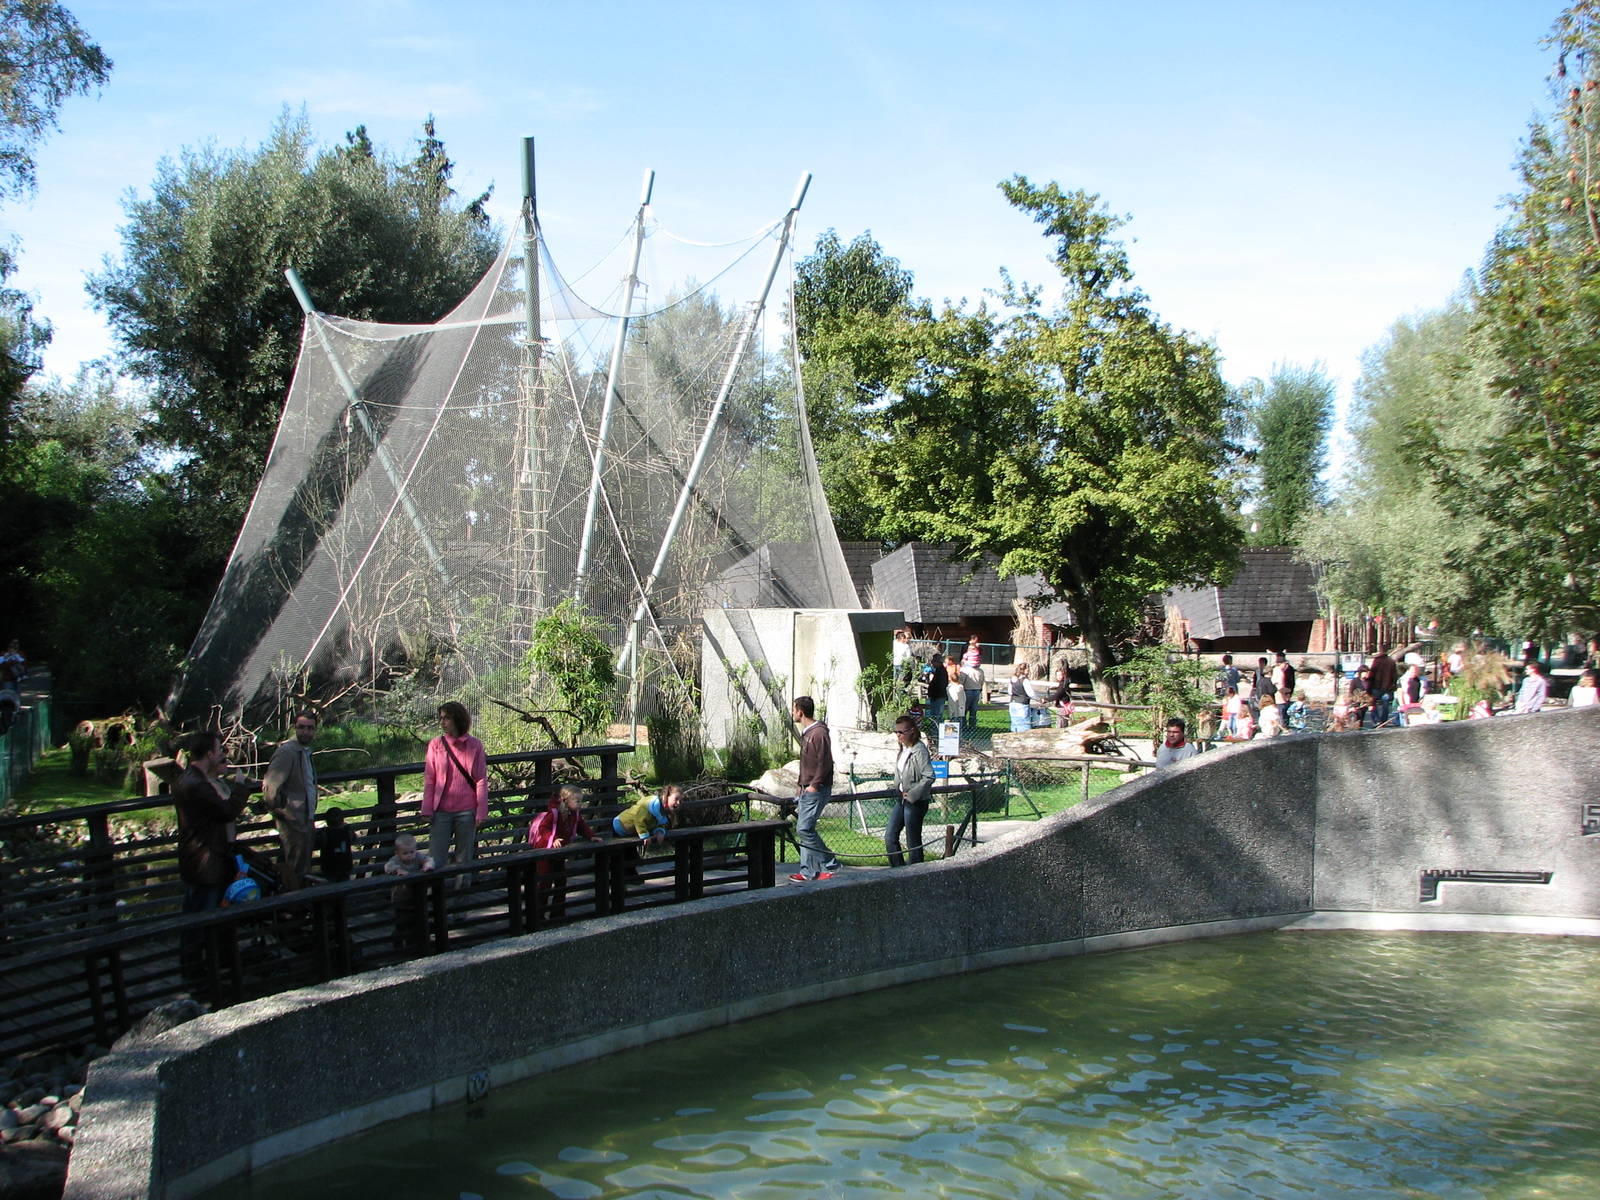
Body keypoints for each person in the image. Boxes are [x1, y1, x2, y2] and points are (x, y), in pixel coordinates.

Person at [173, 731, 252, 979]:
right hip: (204, 861)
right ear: (209, 754)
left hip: (204, 859)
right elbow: (226, 811)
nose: (222, 755)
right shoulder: (196, 785)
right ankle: (194, 972)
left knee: (203, 915)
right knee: (202, 918)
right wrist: (241, 788)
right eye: (219, 751)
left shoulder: (192, 779)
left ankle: (210, 966)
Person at [423, 701, 489, 885]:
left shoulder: (474, 745)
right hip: (441, 810)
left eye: (447, 718)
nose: (443, 722)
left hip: (467, 810)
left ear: (457, 719)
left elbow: (481, 779)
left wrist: (481, 811)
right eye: (441, 718)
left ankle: (462, 897)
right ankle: (434, 895)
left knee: (464, 858)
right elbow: (430, 778)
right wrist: (426, 809)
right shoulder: (436, 744)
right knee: (436, 857)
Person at [262, 711, 321, 891]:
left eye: (310, 728)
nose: (306, 732)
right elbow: (270, 786)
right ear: (295, 728)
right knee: (294, 867)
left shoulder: (305, 751)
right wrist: (283, 812)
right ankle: (293, 902)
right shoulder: (286, 752)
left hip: (306, 816)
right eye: (301, 727)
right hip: (292, 818)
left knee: (303, 865)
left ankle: (301, 901)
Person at [531, 783, 603, 919]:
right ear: (566, 801)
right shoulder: (554, 813)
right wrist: (553, 839)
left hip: (559, 852)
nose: (580, 804)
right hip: (545, 851)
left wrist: (591, 836)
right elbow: (543, 828)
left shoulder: (574, 814)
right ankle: (538, 914)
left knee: (561, 880)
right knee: (545, 882)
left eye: (580, 801)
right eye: (577, 801)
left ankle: (557, 913)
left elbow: (581, 826)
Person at [790, 696, 840, 882]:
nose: (792, 713)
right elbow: (806, 763)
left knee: (804, 829)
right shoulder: (808, 733)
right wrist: (800, 784)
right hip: (806, 787)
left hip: (816, 789)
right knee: (805, 829)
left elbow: (825, 762)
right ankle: (808, 871)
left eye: (794, 709)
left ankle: (829, 863)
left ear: (800, 711)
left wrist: (814, 784)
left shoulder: (818, 733)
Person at [885, 715, 934, 867]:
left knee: (913, 841)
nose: (898, 735)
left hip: (915, 801)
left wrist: (913, 794)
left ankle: (916, 872)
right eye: (896, 732)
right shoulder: (903, 749)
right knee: (890, 836)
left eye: (901, 732)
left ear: (911, 731)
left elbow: (929, 776)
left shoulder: (919, 750)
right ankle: (898, 870)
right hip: (901, 799)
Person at [383, 833, 434, 950]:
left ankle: (414, 944)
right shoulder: (395, 860)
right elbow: (388, 866)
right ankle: (398, 945)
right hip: (400, 898)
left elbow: (429, 859)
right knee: (401, 922)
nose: (409, 855)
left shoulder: (418, 857)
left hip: (416, 897)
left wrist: (428, 865)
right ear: (397, 853)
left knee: (416, 921)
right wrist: (397, 870)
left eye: (412, 852)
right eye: (405, 853)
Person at [318, 809, 353, 883]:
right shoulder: (347, 831)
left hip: (329, 867)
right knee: (345, 882)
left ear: (327, 822)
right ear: (342, 820)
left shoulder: (325, 833)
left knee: (330, 883)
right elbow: (353, 839)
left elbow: (322, 844)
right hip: (346, 865)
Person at [1367, 649, 1398, 727]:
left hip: (1376, 687)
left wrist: (1369, 686)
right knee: (1385, 704)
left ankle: (1376, 720)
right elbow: (1395, 676)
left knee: (1373, 703)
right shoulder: (1391, 661)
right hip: (1387, 688)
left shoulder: (1376, 661)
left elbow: (1372, 674)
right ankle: (1384, 720)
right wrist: (1393, 686)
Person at [959, 658, 984, 735]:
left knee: (964, 710)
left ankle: (963, 727)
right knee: (973, 711)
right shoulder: (980, 671)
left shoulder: (965, 670)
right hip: (977, 691)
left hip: (967, 690)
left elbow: (961, 681)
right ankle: (972, 728)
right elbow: (982, 681)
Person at [1007, 661, 1033, 733]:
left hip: (1013, 703)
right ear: (1023, 670)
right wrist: (1039, 699)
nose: (1028, 671)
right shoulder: (1025, 680)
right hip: (1022, 705)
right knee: (1024, 725)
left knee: (1015, 724)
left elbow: (1010, 692)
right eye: (1027, 670)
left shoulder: (1012, 679)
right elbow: (1031, 694)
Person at [944, 656, 966, 730]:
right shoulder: (960, 687)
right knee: (959, 718)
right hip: (960, 706)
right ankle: (960, 729)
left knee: (953, 717)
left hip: (953, 706)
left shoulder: (949, 688)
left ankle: (953, 730)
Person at [924, 652, 946, 725]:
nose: (932, 663)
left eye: (933, 661)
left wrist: (932, 692)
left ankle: (936, 729)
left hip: (938, 697)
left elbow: (940, 685)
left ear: (938, 662)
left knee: (937, 715)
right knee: (934, 715)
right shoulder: (938, 670)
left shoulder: (941, 671)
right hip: (935, 696)